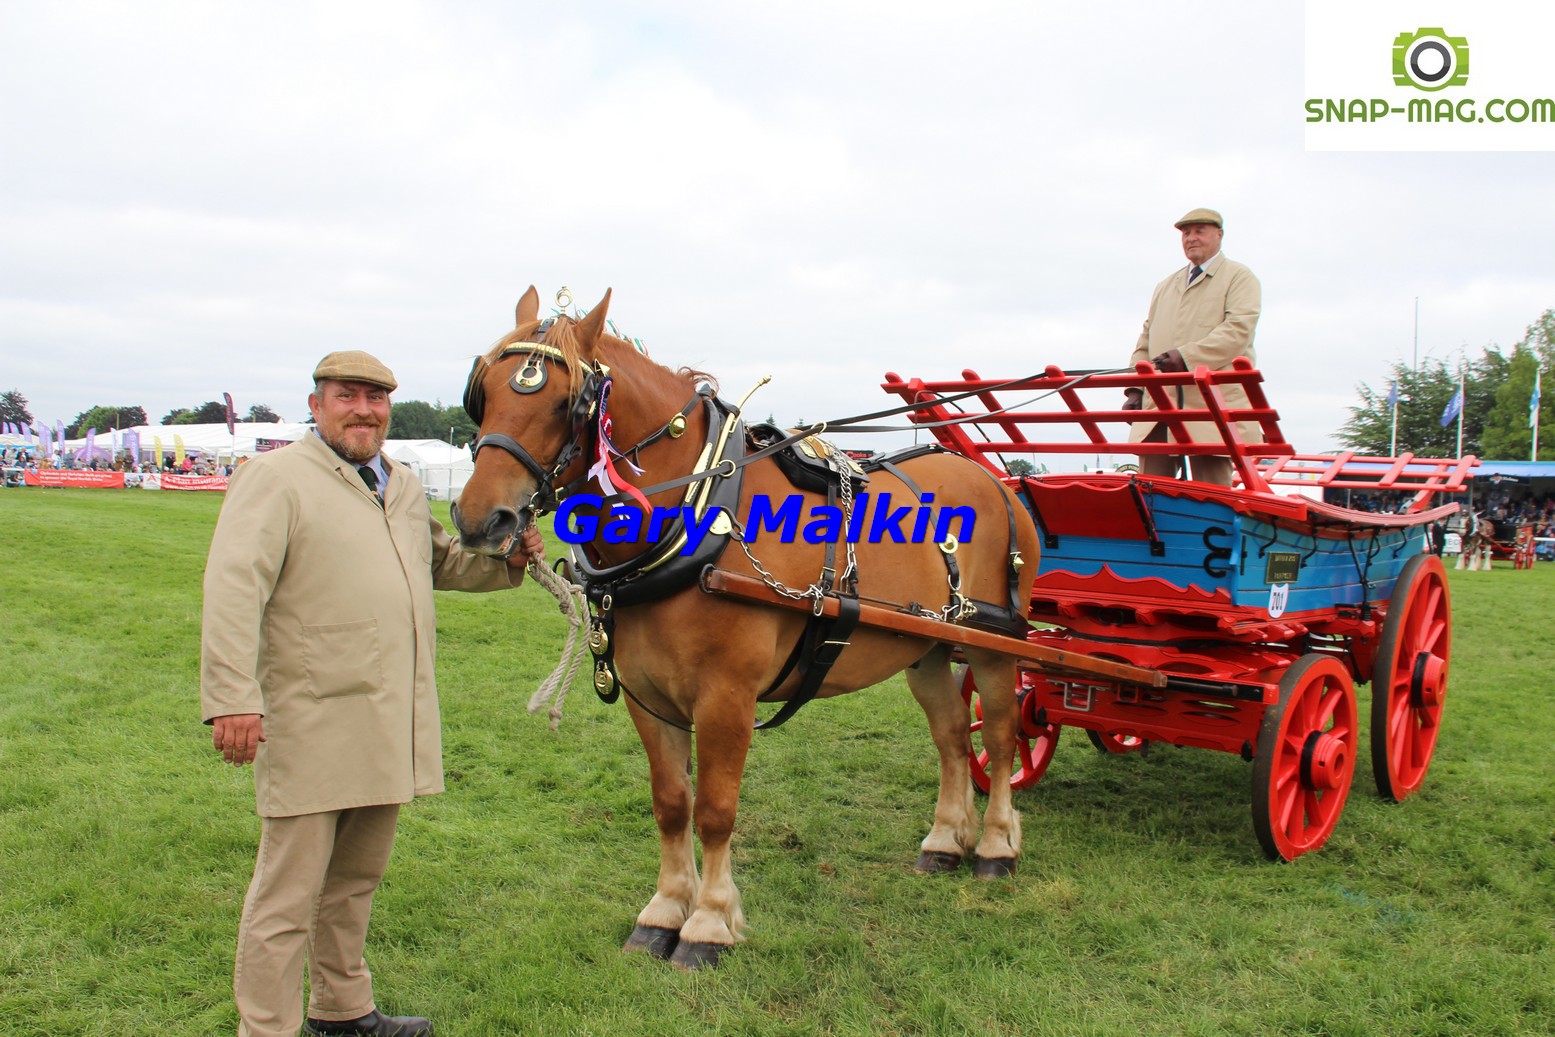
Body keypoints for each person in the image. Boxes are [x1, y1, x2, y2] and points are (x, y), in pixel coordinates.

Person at [201, 350, 543, 1037]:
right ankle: (265, 1027)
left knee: (354, 881)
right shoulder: (275, 478)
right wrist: (233, 695)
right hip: (310, 712)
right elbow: (234, 586)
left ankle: (342, 1009)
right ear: (317, 403)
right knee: (286, 895)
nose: (364, 409)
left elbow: (441, 561)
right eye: (348, 395)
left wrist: (507, 560)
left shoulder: (403, 483)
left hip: (387, 712)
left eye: (376, 398)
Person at [1123, 207, 1262, 486]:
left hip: (1211, 405)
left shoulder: (1239, 277)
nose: (1191, 238)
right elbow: (1146, 340)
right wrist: (1136, 388)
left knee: (1213, 493)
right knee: (1148, 489)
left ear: (1219, 235)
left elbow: (1238, 331)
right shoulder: (1165, 285)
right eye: (1186, 233)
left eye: (1199, 231)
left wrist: (1186, 357)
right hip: (1160, 405)